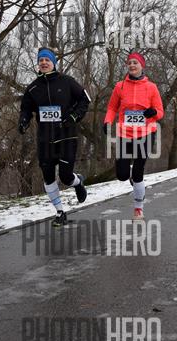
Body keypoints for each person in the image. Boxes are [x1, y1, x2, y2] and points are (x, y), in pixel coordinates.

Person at [18, 47, 91, 227]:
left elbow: (85, 100)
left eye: (47, 60)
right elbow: (25, 109)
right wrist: (23, 121)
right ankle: (60, 212)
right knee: (48, 177)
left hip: (66, 136)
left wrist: (74, 116)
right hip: (45, 139)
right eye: (41, 60)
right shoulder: (33, 88)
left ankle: (77, 182)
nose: (44, 63)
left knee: (65, 177)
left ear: (53, 63)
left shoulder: (67, 82)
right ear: (38, 64)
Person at [103, 51, 164, 219]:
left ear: (141, 66)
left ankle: (138, 209)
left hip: (146, 133)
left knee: (138, 172)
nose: (131, 65)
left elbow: (160, 111)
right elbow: (112, 108)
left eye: (135, 62)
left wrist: (154, 112)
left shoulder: (151, 87)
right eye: (129, 63)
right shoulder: (120, 86)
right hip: (125, 134)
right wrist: (107, 122)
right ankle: (129, 177)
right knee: (122, 175)